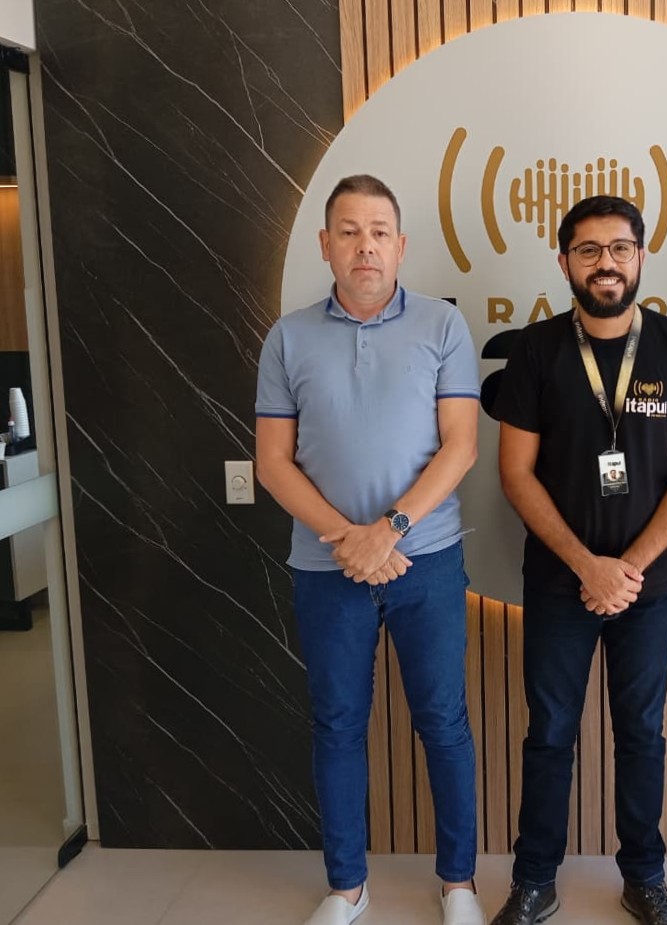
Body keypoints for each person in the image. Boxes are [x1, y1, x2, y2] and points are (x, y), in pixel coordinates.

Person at [491, 196, 667, 925]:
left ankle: (645, 879)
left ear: (641, 257)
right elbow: (515, 473)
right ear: (564, 261)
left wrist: (626, 568)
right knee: (549, 732)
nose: (606, 263)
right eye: (588, 250)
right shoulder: (535, 349)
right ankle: (534, 880)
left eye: (619, 248)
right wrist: (585, 565)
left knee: (642, 733)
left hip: (647, 589)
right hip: (558, 583)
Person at [255, 175, 484, 925]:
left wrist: (388, 530)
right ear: (325, 245)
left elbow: (460, 446)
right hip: (326, 569)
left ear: (401, 245)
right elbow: (273, 462)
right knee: (337, 724)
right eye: (349, 232)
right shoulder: (287, 337)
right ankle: (347, 886)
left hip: (428, 560)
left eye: (379, 231)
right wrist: (349, 540)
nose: (365, 246)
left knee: (443, 721)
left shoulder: (444, 326)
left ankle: (458, 883)